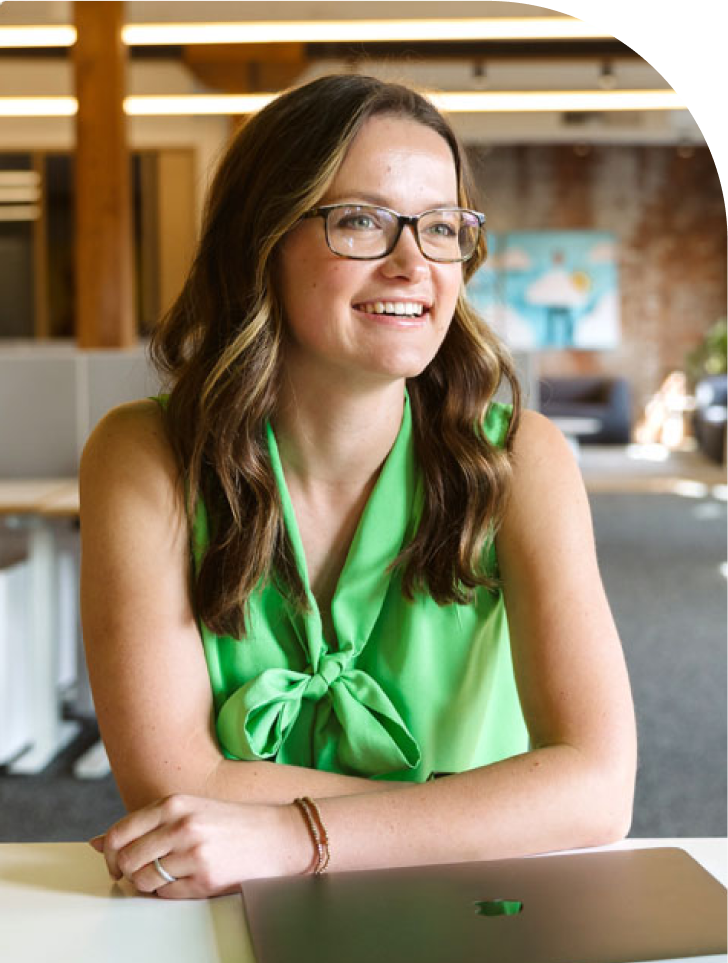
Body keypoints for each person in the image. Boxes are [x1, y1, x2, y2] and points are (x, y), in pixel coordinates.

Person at [80, 74, 636, 899]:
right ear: (262, 239)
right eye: (362, 221)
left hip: (477, 910)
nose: (414, 264)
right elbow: (169, 785)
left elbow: (597, 790)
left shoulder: (523, 459)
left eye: (443, 228)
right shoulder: (146, 453)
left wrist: (287, 833)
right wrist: (490, 811)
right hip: (233, 915)